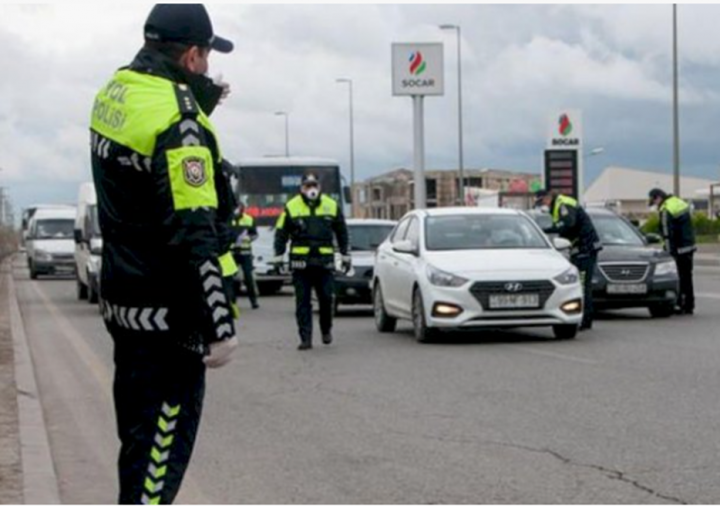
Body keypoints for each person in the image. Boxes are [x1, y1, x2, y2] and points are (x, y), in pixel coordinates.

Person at [90, 5, 238, 503]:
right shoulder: (179, 122)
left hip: (124, 304)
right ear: (193, 53)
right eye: (204, 59)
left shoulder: (117, 89)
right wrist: (218, 325)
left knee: (136, 445)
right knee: (157, 467)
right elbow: (193, 229)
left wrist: (196, 102)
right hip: (169, 323)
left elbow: (140, 176)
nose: (206, 69)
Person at [273, 173, 350, 350]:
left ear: (319, 187)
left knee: (326, 299)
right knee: (302, 302)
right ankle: (305, 338)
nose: (311, 189)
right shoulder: (291, 207)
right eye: (307, 186)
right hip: (301, 265)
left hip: (324, 263)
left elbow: (342, 232)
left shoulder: (331, 206)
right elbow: (281, 234)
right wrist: (278, 259)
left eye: (314, 185)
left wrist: (345, 256)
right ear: (301, 188)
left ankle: (326, 330)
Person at [535, 190, 602, 331]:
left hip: (586, 248)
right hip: (580, 249)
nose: (543, 205)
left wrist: (548, 229)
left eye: (543, 201)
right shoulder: (558, 205)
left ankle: (585, 320)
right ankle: (584, 318)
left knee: (583, 286)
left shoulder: (563, 204)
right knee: (581, 285)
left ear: (548, 197)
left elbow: (569, 223)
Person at [648, 188, 696, 314]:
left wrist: (669, 253)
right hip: (689, 246)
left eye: (654, 202)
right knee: (687, 277)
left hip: (678, 249)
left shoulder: (666, 209)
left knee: (678, 277)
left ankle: (680, 303)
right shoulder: (678, 202)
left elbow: (667, 233)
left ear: (658, 198)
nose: (656, 205)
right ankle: (689, 304)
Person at [231, 201, 260, 309]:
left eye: (239, 207)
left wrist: (249, 238)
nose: (237, 210)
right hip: (232, 252)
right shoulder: (228, 219)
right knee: (231, 279)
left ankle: (254, 301)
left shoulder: (249, 219)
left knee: (249, 278)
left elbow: (255, 234)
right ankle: (232, 302)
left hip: (245, 252)